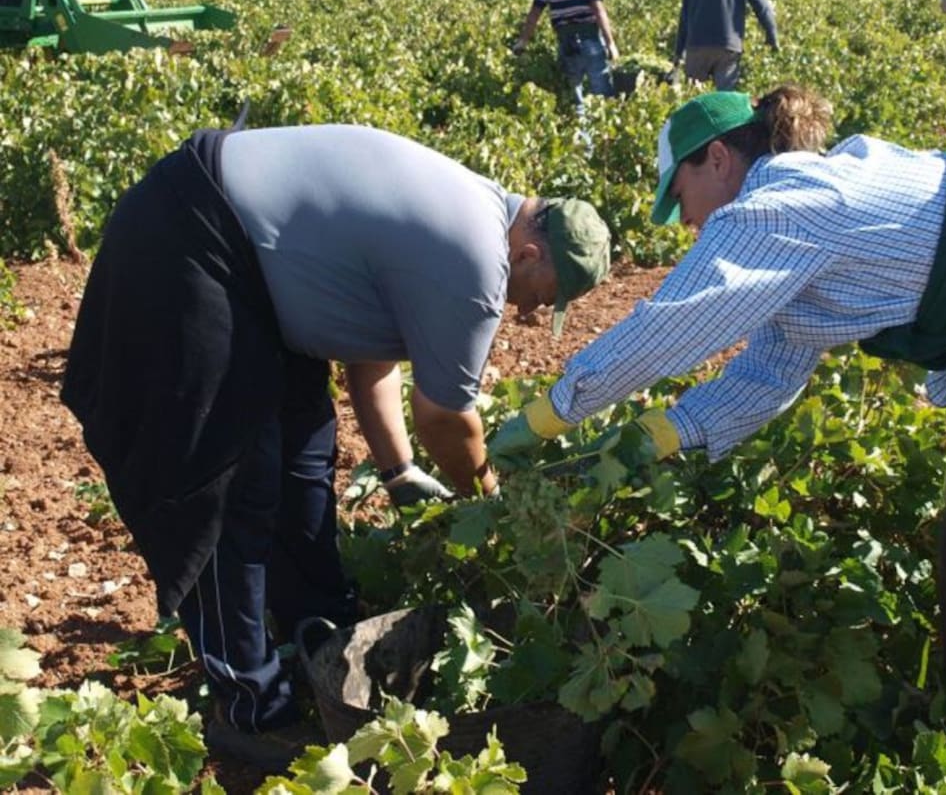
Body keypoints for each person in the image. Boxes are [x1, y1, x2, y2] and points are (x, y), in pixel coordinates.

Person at [489, 86, 946, 751]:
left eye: (681, 197)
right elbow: (770, 371)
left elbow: (673, 327)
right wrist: (662, 434)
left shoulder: (780, 206)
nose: (688, 221)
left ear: (718, 158)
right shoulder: (810, 205)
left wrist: (550, 414)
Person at [60, 122, 611, 771]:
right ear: (528, 255)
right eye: (537, 298)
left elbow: (368, 352)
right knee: (231, 485)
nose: (524, 314)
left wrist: (399, 471)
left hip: (255, 275)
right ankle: (251, 706)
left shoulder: (471, 215)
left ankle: (317, 639)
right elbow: (445, 418)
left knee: (305, 454)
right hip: (193, 237)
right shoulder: (476, 259)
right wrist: (490, 503)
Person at [511, 0, 619, 114]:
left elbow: (534, 15)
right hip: (591, 40)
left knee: (576, 97)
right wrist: (611, 43)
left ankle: (582, 129)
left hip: (567, 44)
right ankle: (605, 129)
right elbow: (599, 11)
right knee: (602, 92)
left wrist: (523, 41)